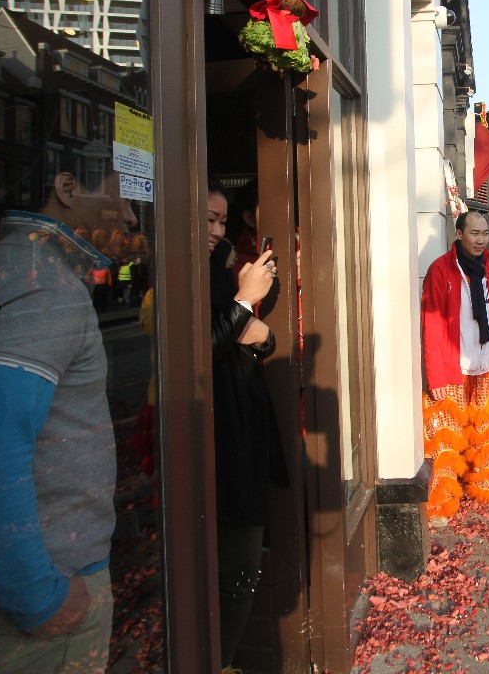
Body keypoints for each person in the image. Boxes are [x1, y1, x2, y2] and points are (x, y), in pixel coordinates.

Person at [0, 168, 136, 674]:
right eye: (122, 196)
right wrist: (37, 597)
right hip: (22, 615)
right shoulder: (45, 287)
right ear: (67, 188)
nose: (130, 216)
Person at [204, 178, 288, 673]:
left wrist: (259, 335)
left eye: (220, 220)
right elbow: (199, 351)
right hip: (216, 433)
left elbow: (247, 336)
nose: (217, 230)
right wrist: (243, 302)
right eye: (208, 220)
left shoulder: (218, 268)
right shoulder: (187, 274)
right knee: (234, 569)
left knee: (242, 561)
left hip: (240, 424)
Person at [421, 211, 489, 528]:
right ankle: (442, 500)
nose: (480, 240)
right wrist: (436, 375)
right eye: (474, 233)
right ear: (459, 234)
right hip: (452, 365)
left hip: (487, 364)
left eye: (485, 233)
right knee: (445, 435)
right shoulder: (440, 270)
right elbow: (431, 327)